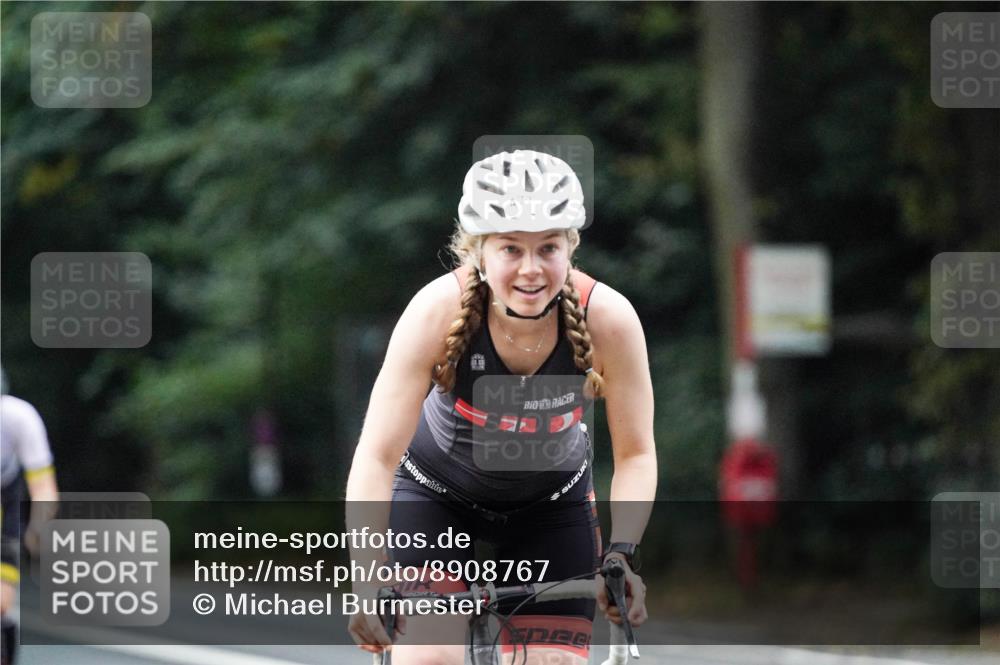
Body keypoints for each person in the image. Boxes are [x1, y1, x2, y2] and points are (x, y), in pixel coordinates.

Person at [345, 149, 656, 665]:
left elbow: (637, 454)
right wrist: (368, 577)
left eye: (548, 249)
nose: (531, 270)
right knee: (431, 657)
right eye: (511, 248)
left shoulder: (609, 320)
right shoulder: (435, 313)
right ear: (478, 252)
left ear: (569, 249)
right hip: (436, 499)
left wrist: (621, 554)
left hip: (552, 508)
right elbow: (376, 457)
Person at [1, 369, 60, 665]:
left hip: (4, 501)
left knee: (0, 599)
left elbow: (43, 488)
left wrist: (39, 530)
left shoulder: (20, 417)